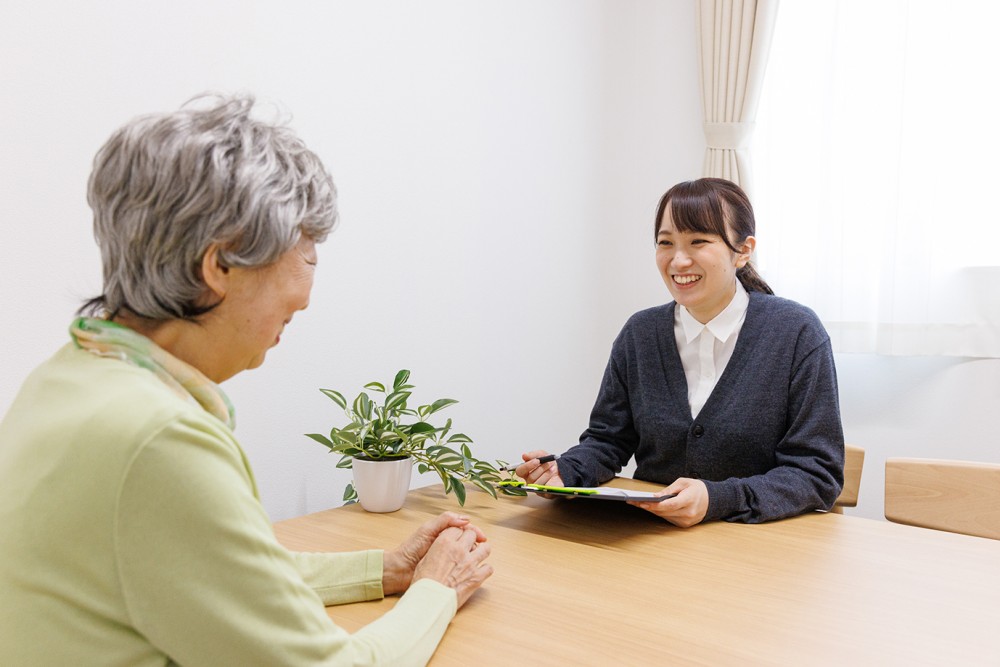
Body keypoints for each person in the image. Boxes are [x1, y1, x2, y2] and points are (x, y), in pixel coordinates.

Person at [0, 94, 492, 666]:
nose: (307, 290)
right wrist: (440, 588)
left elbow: (213, 575)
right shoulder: (158, 440)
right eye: (302, 246)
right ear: (220, 264)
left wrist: (385, 570)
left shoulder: (67, 376)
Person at [515, 178, 844, 527]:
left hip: (755, 548)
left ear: (744, 250)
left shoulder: (796, 333)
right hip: (648, 539)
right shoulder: (640, 334)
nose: (679, 260)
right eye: (665, 243)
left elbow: (817, 474)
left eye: (698, 241)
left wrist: (715, 499)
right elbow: (608, 440)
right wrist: (564, 471)